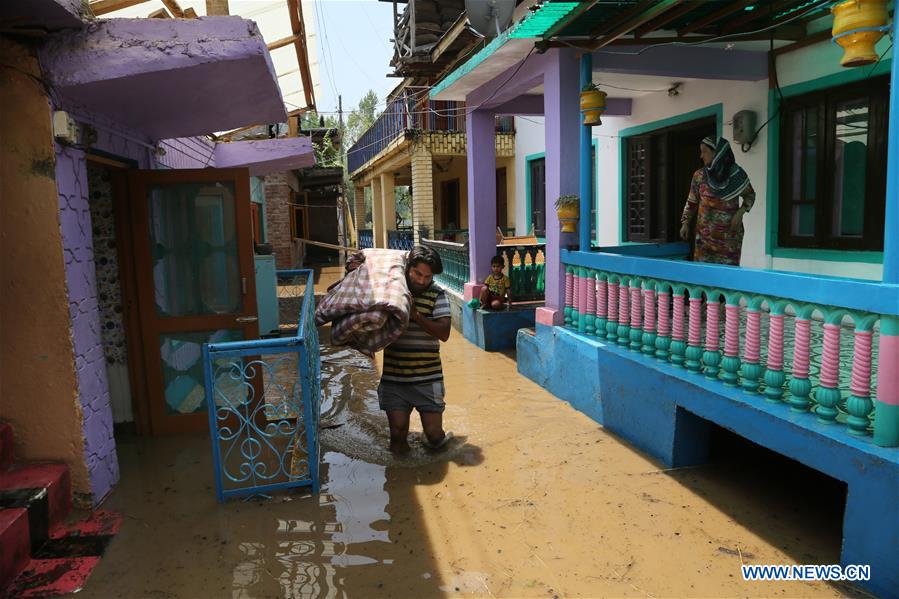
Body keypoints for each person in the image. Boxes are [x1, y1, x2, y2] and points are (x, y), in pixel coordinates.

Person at [379, 245, 453, 454]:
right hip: (395, 377)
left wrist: (416, 315)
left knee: (435, 436)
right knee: (397, 434)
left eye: (427, 277)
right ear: (408, 268)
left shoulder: (438, 295)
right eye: (417, 274)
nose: (421, 281)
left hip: (427, 378)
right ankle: (400, 471)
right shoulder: (394, 291)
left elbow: (444, 332)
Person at [679, 136, 756, 266]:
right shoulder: (699, 176)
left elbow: (750, 194)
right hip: (704, 239)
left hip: (729, 239)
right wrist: (685, 222)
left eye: (704, 151)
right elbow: (691, 202)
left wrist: (741, 212)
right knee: (704, 274)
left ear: (717, 152)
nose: (701, 156)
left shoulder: (736, 174)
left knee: (727, 275)